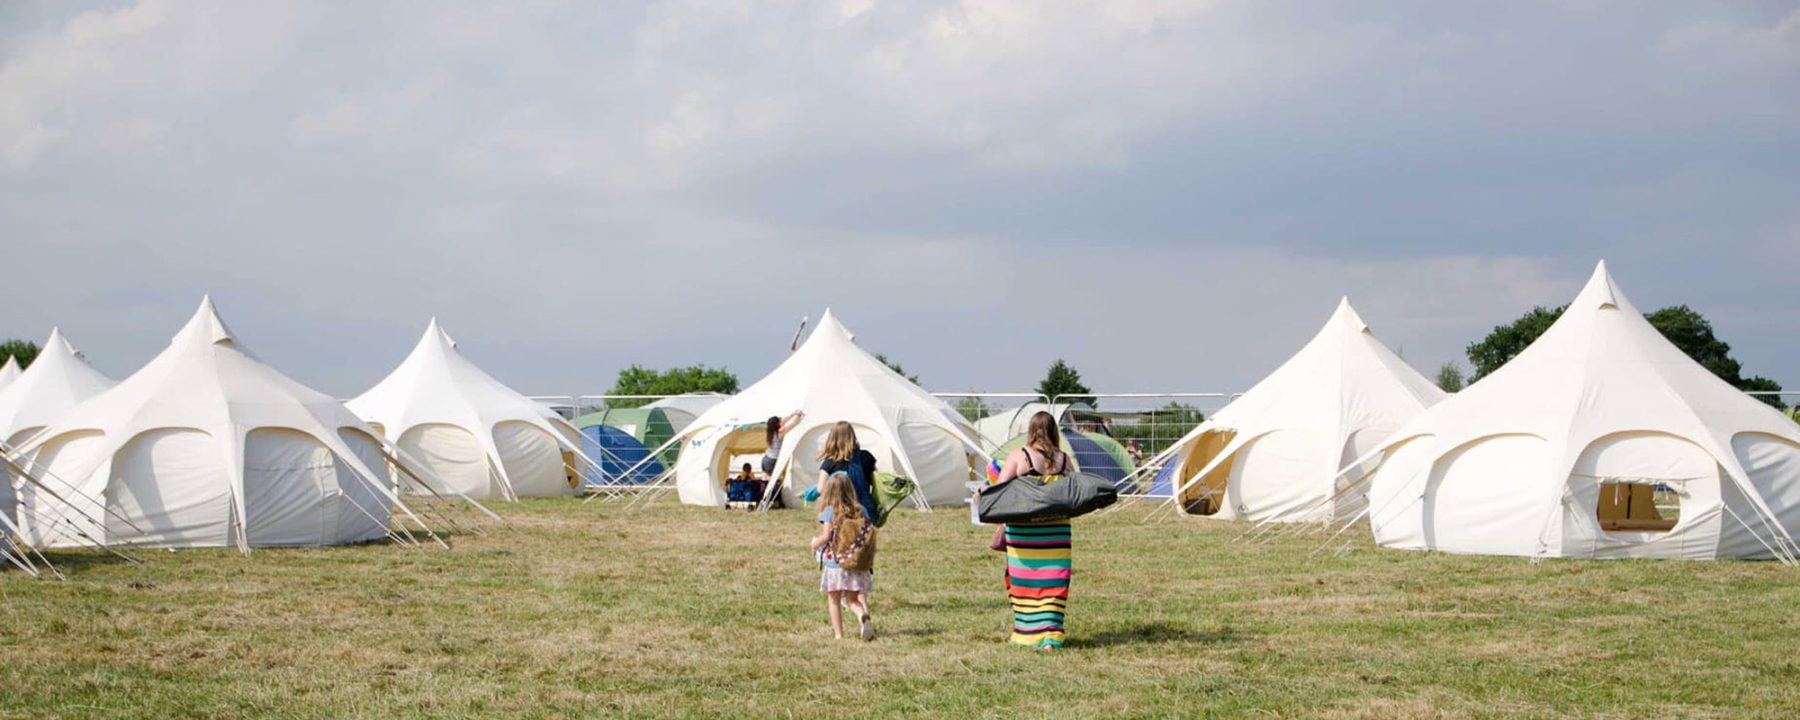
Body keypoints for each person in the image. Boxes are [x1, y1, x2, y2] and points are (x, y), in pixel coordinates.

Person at [988, 411, 1073, 650]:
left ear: (1031, 430)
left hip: (1024, 533)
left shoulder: (1019, 456)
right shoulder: (1064, 460)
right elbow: (1075, 490)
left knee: (1027, 582)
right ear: (1053, 431)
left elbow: (1000, 489)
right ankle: (1051, 636)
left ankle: (1027, 634)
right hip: (1056, 533)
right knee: (1054, 582)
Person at [809, 472, 874, 641]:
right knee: (852, 599)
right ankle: (862, 616)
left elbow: (826, 537)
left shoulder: (830, 511)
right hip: (855, 561)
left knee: (834, 599)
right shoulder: (861, 510)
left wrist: (814, 545)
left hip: (835, 564)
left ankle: (839, 635)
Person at [817, 421, 878, 523]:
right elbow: (876, 482)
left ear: (833, 438)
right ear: (852, 436)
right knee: (864, 538)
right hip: (865, 511)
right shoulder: (866, 457)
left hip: (841, 513)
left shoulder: (829, 463)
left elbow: (820, 489)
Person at [762, 411, 804, 476]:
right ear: (777, 424)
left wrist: (793, 414)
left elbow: (783, 421)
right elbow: (793, 423)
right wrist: (798, 414)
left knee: (766, 480)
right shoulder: (780, 433)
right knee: (774, 481)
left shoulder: (770, 431)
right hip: (772, 461)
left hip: (766, 459)